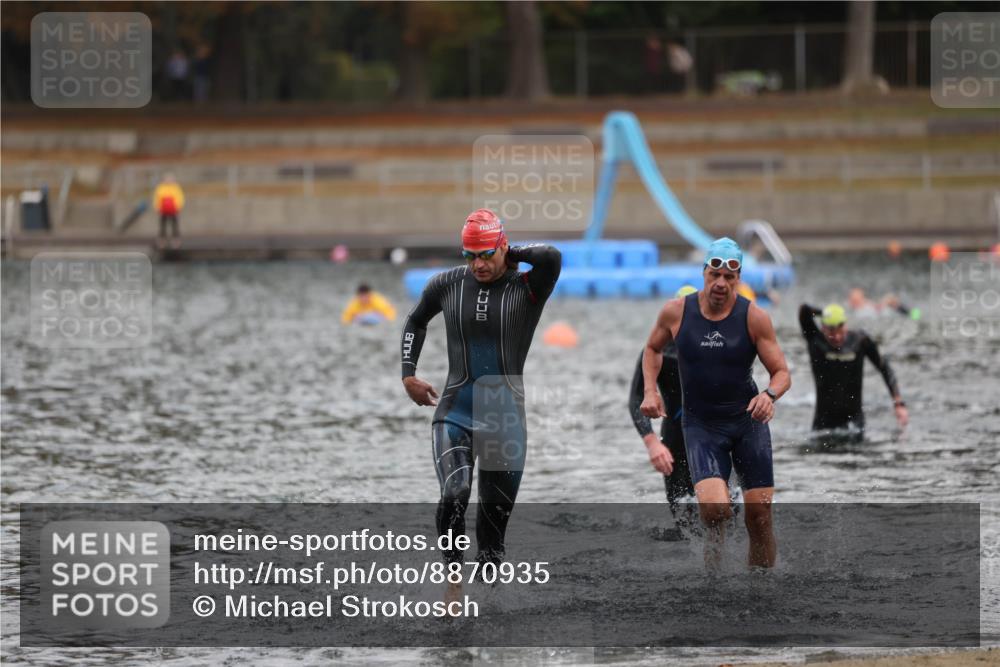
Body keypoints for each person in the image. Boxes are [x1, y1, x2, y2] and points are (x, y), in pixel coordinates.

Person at [400, 209, 560, 600]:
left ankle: (488, 608)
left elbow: (553, 255)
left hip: (506, 422)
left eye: (487, 255)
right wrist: (408, 374)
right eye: (471, 256)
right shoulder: (447, 284)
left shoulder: (529, 287)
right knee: (455, 492)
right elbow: (416, 321)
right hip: (455, 411)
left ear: (503, 248)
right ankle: (453, 590)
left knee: (491, 542)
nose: (479, 264)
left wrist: (509, 251)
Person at [640, 238, 791, 569]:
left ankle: (760, 588)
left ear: (738, 279)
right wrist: (651, 391)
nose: (721, 284)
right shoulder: (676, 312)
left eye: (729, 277)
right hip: (702, 425)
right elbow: (651, 349)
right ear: (704, 273)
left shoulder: (755, 318)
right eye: (714, 275)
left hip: (747, 423)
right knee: (714, 511)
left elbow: (781, 372)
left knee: (760, 516)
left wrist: (769, 395)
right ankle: (715, 574)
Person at [628, 286, 699, 529]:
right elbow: (636, 400)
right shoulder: (656, 351)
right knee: (684, 527)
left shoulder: (716, 344)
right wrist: (652, 443)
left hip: (715, 440)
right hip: (674, 444)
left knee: (727, 515)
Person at [799, 303, 908, 440]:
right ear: (823, 329)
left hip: (855, 423)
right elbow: (804, 310)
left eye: (841, 330)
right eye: (832, 332)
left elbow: (884, 367)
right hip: (823, 425)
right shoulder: (815, 340)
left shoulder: (859, 340)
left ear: (846, 325)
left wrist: (898, 403)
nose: (837, 337)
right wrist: (825, 313)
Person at [153, 173, 185, 249]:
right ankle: (162, 240)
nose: (169, 180)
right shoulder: (160, 188)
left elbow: (180, 198)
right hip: (163, 210)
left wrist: (179, 206)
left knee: (174, 225)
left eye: (170, 179)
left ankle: (176, 240)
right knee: (162, 225)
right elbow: (157, 198)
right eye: (167, 179)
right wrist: (157, 207)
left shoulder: (176, 187)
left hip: (173, 210)